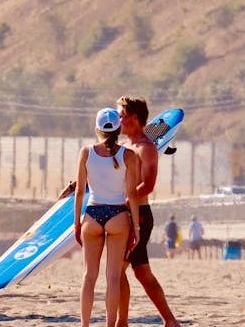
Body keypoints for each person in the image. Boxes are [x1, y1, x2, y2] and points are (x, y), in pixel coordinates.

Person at [115, 96, 180, 327]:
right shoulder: (122, 147)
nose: (118, 121)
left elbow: (148, 185)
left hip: (139, 215)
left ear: (133, 118)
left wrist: (125, 200)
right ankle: (170, 321)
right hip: (124, 214)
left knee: (117, 271)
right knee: (142, 272)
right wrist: (75, 186)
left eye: (121, 116)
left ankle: (121, 323)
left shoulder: (146, 148)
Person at [74, 107, 140, 327]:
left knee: (88, 276)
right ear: (119, 129)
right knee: (113, 277)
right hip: (118, 216)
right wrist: (136, 228)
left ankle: (85, 325)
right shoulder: (128, 155)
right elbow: (131, 195)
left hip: (92, 215)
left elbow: (80, 192)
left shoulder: (86, 152)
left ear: (97, 129)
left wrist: (77, 223)